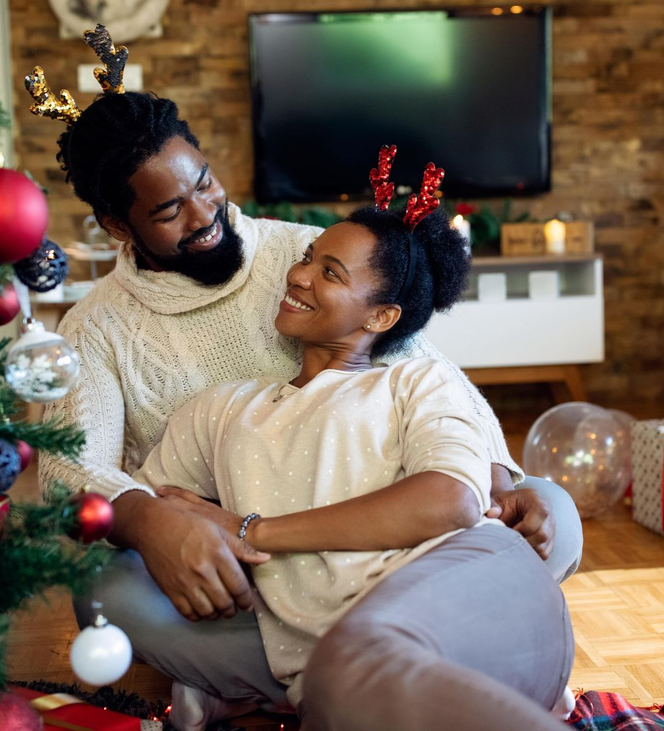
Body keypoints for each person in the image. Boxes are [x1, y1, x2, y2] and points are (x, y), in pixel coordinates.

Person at [32, 72, 582, 720]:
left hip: (389, 521)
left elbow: (422, 365)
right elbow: (66, 468)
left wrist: (488, 467)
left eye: (204, 182)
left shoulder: (301, 250)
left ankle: (296, 682)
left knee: (552, 515)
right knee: (107, 595)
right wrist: (150, 520)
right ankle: (411, 666)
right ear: (117, 225)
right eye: (168, 210)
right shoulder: (99, 330)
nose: (205, 214)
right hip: (246, 571)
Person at [130, 201, 574, 731]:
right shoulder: (221, 410)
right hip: (342, 670)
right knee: (333, 690)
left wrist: (253, 531)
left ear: (381, 316)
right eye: (307, 258)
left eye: (330, 272)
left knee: (350, 672)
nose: (297, 275)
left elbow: (452, 499)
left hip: (478, 591)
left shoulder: (415, 382)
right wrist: (184, 522)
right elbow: (143, 503)